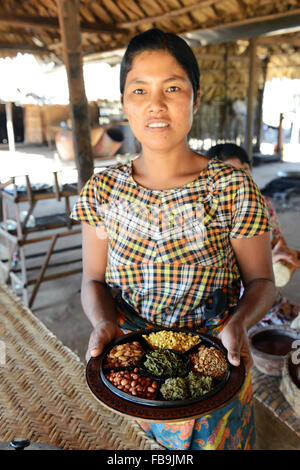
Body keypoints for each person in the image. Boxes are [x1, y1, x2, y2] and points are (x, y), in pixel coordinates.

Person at [70, 29, 276, 450]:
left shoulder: (231, 187)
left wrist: (237, 324)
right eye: (140, 89)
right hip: (133, 371)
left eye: (173, 87)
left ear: (195, 98)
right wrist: (103, 324)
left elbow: (262, 283)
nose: (156, 104)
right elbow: (92, 281)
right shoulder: (102, 191)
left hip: (217, 362)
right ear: (125, 103)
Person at [206, 142, 300, 327]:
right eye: (231, 173)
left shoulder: (263, 203)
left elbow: (278, 241)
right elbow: (215, 279)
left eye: (245, 170)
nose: (242, 179)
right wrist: (265, 264)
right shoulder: (208, 215)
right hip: (231, 309)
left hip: (268, 301)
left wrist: (283, 254)